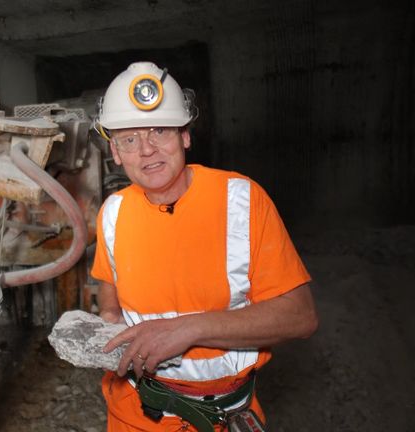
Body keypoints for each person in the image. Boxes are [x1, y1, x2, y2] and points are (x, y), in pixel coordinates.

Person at [90, 62, 319, 431]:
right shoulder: (113, 212)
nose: (146, 150)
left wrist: (188, 329)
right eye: (129, 139)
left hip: (222, 416)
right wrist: (108, 325)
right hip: (134, 414)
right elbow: (110, 296)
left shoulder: (242, 201)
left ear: (185, 136)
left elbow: (301, 317)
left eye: (160, 130)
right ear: (115, 152)